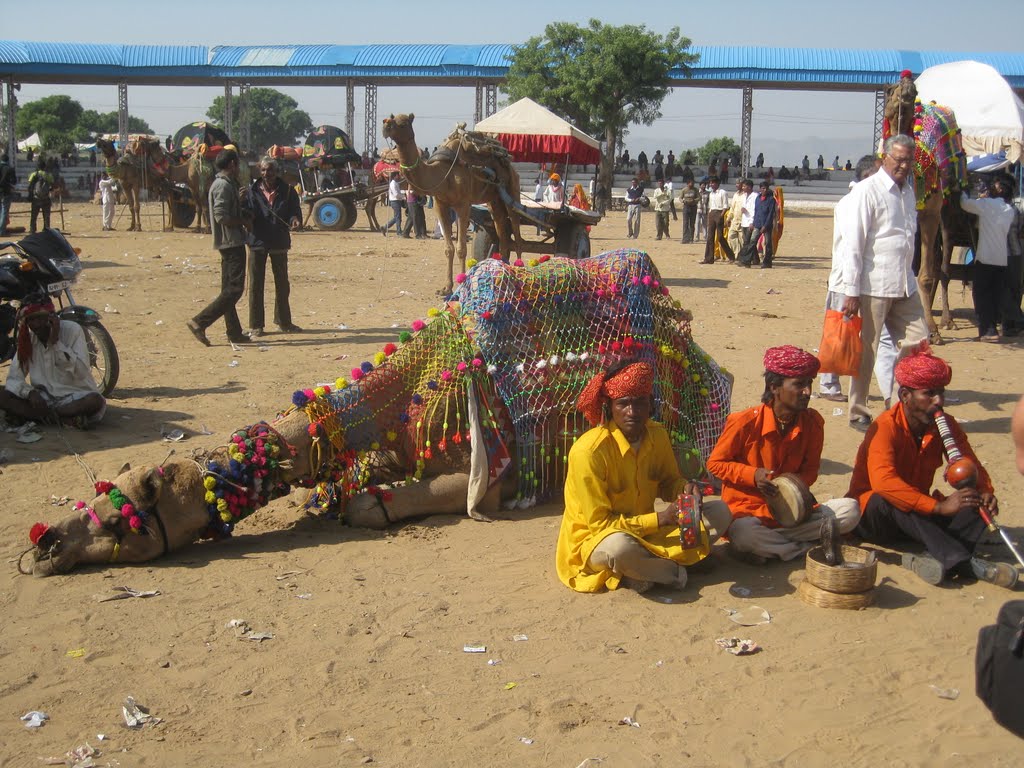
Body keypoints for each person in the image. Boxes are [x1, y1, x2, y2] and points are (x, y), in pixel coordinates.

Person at [555, 361, 732, 593]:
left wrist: (685, 490)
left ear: (650, 404)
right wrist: (661, 519)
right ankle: (676, 570)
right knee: (620, 548)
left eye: (640, 403)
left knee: (720, 512)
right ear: (610, 407)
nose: (633, 412)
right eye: (624, 404)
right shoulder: (589, 452)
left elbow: (669, 482)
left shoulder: (657, 435)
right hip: (596, 541)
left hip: (647, 533)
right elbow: (600, 526)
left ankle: (644, 571)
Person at [850, 345, 1017, 589]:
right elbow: (884, 482)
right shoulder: (885, 427)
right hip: (878, 518)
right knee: (887, 497)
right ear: (905, 395)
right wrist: (937, 507)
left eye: (941, 392)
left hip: (918, 517)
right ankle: (966, 564)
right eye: (929, 394)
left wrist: (986, 491)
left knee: (975, 499)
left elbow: (970, 464)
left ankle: (930, 558)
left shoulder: (945, 424)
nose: (939, 401)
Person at [705, 346, 860, 562]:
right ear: (774, 387)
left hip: (792, 513)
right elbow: (715, 464)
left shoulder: (813, 423)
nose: (807, 392)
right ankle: (805, 549)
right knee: (744, 534)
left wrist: (790, 487)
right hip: (750, 513)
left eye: (809, 384)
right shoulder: (745, 422)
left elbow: (810, 471)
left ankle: (776, 548)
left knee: (849, 510)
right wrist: (753, 475)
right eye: (799, 385)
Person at [838, 134, 929, 431]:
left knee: (918, 342)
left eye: (908, 161)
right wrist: (851, 290)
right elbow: (854, 243)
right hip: (873, 284)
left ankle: (898, 403)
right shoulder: (868, 191)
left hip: (905, 282)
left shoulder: (908, 192)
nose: (903, 165)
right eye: (898, 159)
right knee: (868, 351)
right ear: (885, 158)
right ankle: (858, 410)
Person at [820, 155, 897, 403]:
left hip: (875, 282)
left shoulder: (879, 200)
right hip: (847, 280)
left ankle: (892, 394)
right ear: (866, 177)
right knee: (840, 332)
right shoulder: (852, 202)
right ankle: (829, 384)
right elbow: (852, 248)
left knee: (882, 337)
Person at [0, 299, 105, 427]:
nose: (36, 325)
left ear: (52, 318)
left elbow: (81, 373)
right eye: (31, 320)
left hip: (74, 396)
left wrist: (56, 343)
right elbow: (13, 378)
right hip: (43, 400)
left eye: (39, 319)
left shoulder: (72, 331)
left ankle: (46, 417)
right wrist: (30, 392)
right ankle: (63, 419)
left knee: (95, 401)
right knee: (3, 395)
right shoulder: (29, 339)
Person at [186, 149, 252, 347]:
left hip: (229, 242)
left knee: (227, 289)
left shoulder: (225, 184)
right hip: (231, 242)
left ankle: (234, 332)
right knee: (235, 289)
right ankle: (200, 321)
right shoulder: (222, 185)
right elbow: (221, 216)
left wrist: (238, 202)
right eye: (237, 164)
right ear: (232, 164)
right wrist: (243, 221)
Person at [242, 157, 302, 340]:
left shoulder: (289, 191)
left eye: (270, 171)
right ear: (259, 172)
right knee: (255, 285)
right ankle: (256, 325)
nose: (267, 174)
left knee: (282, 284)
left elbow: (295, 212)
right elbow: (245, 212)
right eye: (263, 170)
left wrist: (294, 220)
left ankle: (284, 322)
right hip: (257, 242)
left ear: (277, 172)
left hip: (279, 242)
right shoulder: (251, 192)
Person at [960, 182, 1016, 342]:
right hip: (1001, 259)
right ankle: (991, 328)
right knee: (994, 296)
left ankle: (987, 331)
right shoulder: (1009, 210)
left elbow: (965, 204)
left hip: (985, 258)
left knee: (981, 295)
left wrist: (963, 191)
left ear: (999, 190)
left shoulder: (987, 204)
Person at [748, 180, 777, 269]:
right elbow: (756, 211)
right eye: (762, 188)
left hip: (766, 225)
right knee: (752, 241)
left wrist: (765, 226)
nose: (764, 190)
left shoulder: (771, 199)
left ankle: (767, 262)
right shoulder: (758, 198)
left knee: (768, 243)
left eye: (765, 188)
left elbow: (771, 214)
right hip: (757, 223)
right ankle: (747, 259)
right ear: (760, 189)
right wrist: (753, 223)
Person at [27, 159, 54, 234]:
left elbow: (30, 185)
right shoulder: (48, 175)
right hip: (46, 198)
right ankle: (46, 229)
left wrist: (30, 195)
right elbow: (52, 186)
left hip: (36, 198)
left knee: (34, 215)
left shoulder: (34, 174)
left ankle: (32, 229)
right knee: (46, 215)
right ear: (45, 167)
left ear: (38, 167)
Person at [726, 178, 747, 257]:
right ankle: (737, 253)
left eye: (738, 183)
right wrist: (728, 218)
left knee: (742, 240)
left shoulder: (746, 196)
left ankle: (743, 256)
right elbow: (732, 208)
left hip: (743, 221)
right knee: (731, 237)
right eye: (736, 183)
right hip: (735, 220)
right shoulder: (735, 195)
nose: (736, 185)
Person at [381, 171, 406, 237]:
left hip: (396, 201)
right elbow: (396, 194)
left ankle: (385, 227)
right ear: (395, 176)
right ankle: (398, 232)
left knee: (396, 217)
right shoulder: (393, 184)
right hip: (395, 201)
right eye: (398, 175)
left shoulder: (395, 183)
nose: (399, 176)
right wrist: (403, 197)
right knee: (398, 218)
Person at [678, 179, 699, 243]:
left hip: (693, 207)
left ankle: (691, 239)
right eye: (690, 183)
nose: (692, 184)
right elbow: (680, 198)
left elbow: (699, 197)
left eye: (693, 183)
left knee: (692, 224)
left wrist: (694, 200)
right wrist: (683, 201)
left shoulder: (695, 190)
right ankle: (685, 238)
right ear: (688, 183)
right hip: (686, 207)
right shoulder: (684, 190)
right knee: (685, 223)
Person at [0, 152, 16, 236]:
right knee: (4, 211)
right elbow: (14, 181)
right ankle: (1, 231)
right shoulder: (10, 169)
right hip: (6, 192)